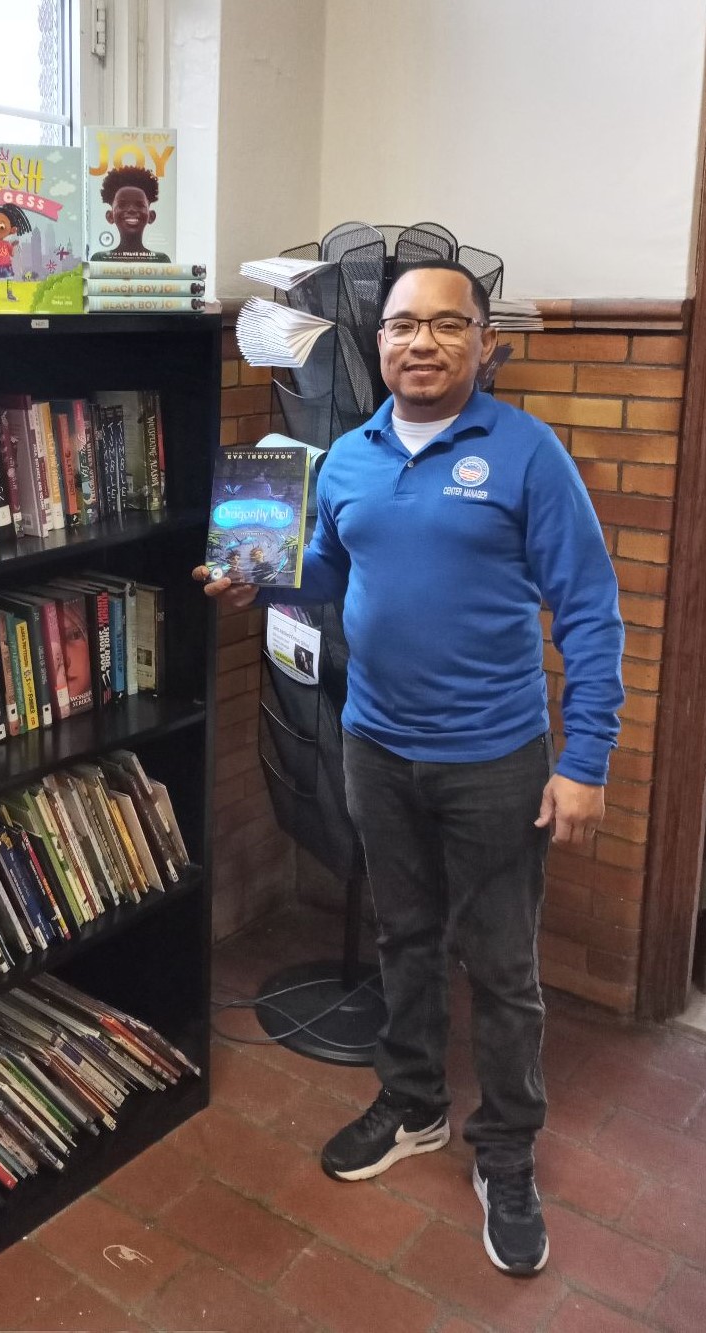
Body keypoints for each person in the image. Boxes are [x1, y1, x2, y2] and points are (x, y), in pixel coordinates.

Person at [193, 260, 624, 1277]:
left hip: (495, 756)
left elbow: (592, 611)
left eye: (443, 325)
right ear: (374, 342)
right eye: (399, 326)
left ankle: (507, 1149)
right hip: (375, 743)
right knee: (403, 936)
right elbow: (336, 573)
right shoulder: (344, 458)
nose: (418, 344)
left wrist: (587, 760)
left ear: (480, 340)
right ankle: (414, 1104)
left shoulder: (526, 454)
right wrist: (260, 579)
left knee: (506, 968)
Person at [89, 166, 172, 262]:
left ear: (151, 216)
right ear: (110, 216)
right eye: (122, 205)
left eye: (139, 205)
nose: (131, 209)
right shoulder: (100, 259)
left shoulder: (160, 260)